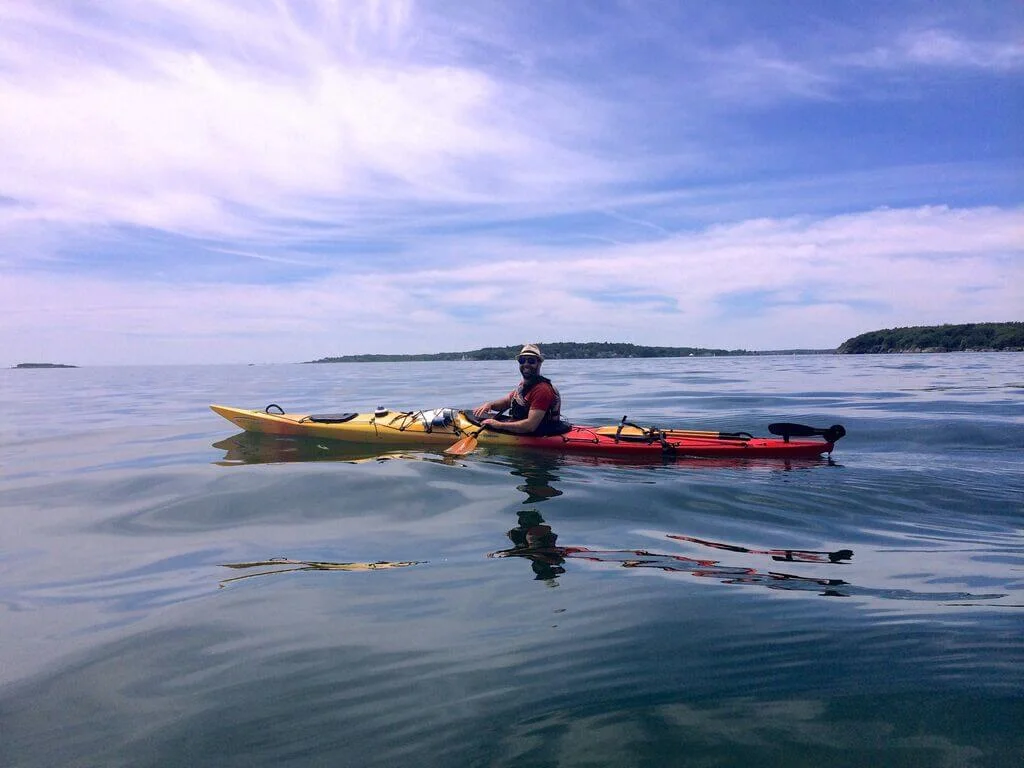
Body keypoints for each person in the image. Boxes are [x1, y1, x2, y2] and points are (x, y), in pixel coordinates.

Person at [472, 344, 571, 436]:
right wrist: (490, 405)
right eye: (522, 361)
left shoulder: (542, 390)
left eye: (531, 361)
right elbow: (507, 402)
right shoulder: (524, 385)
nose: (526, 364)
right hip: (526, 430)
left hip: (540, 435)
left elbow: (530, 426)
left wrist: (499, 425)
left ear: (539, 363)